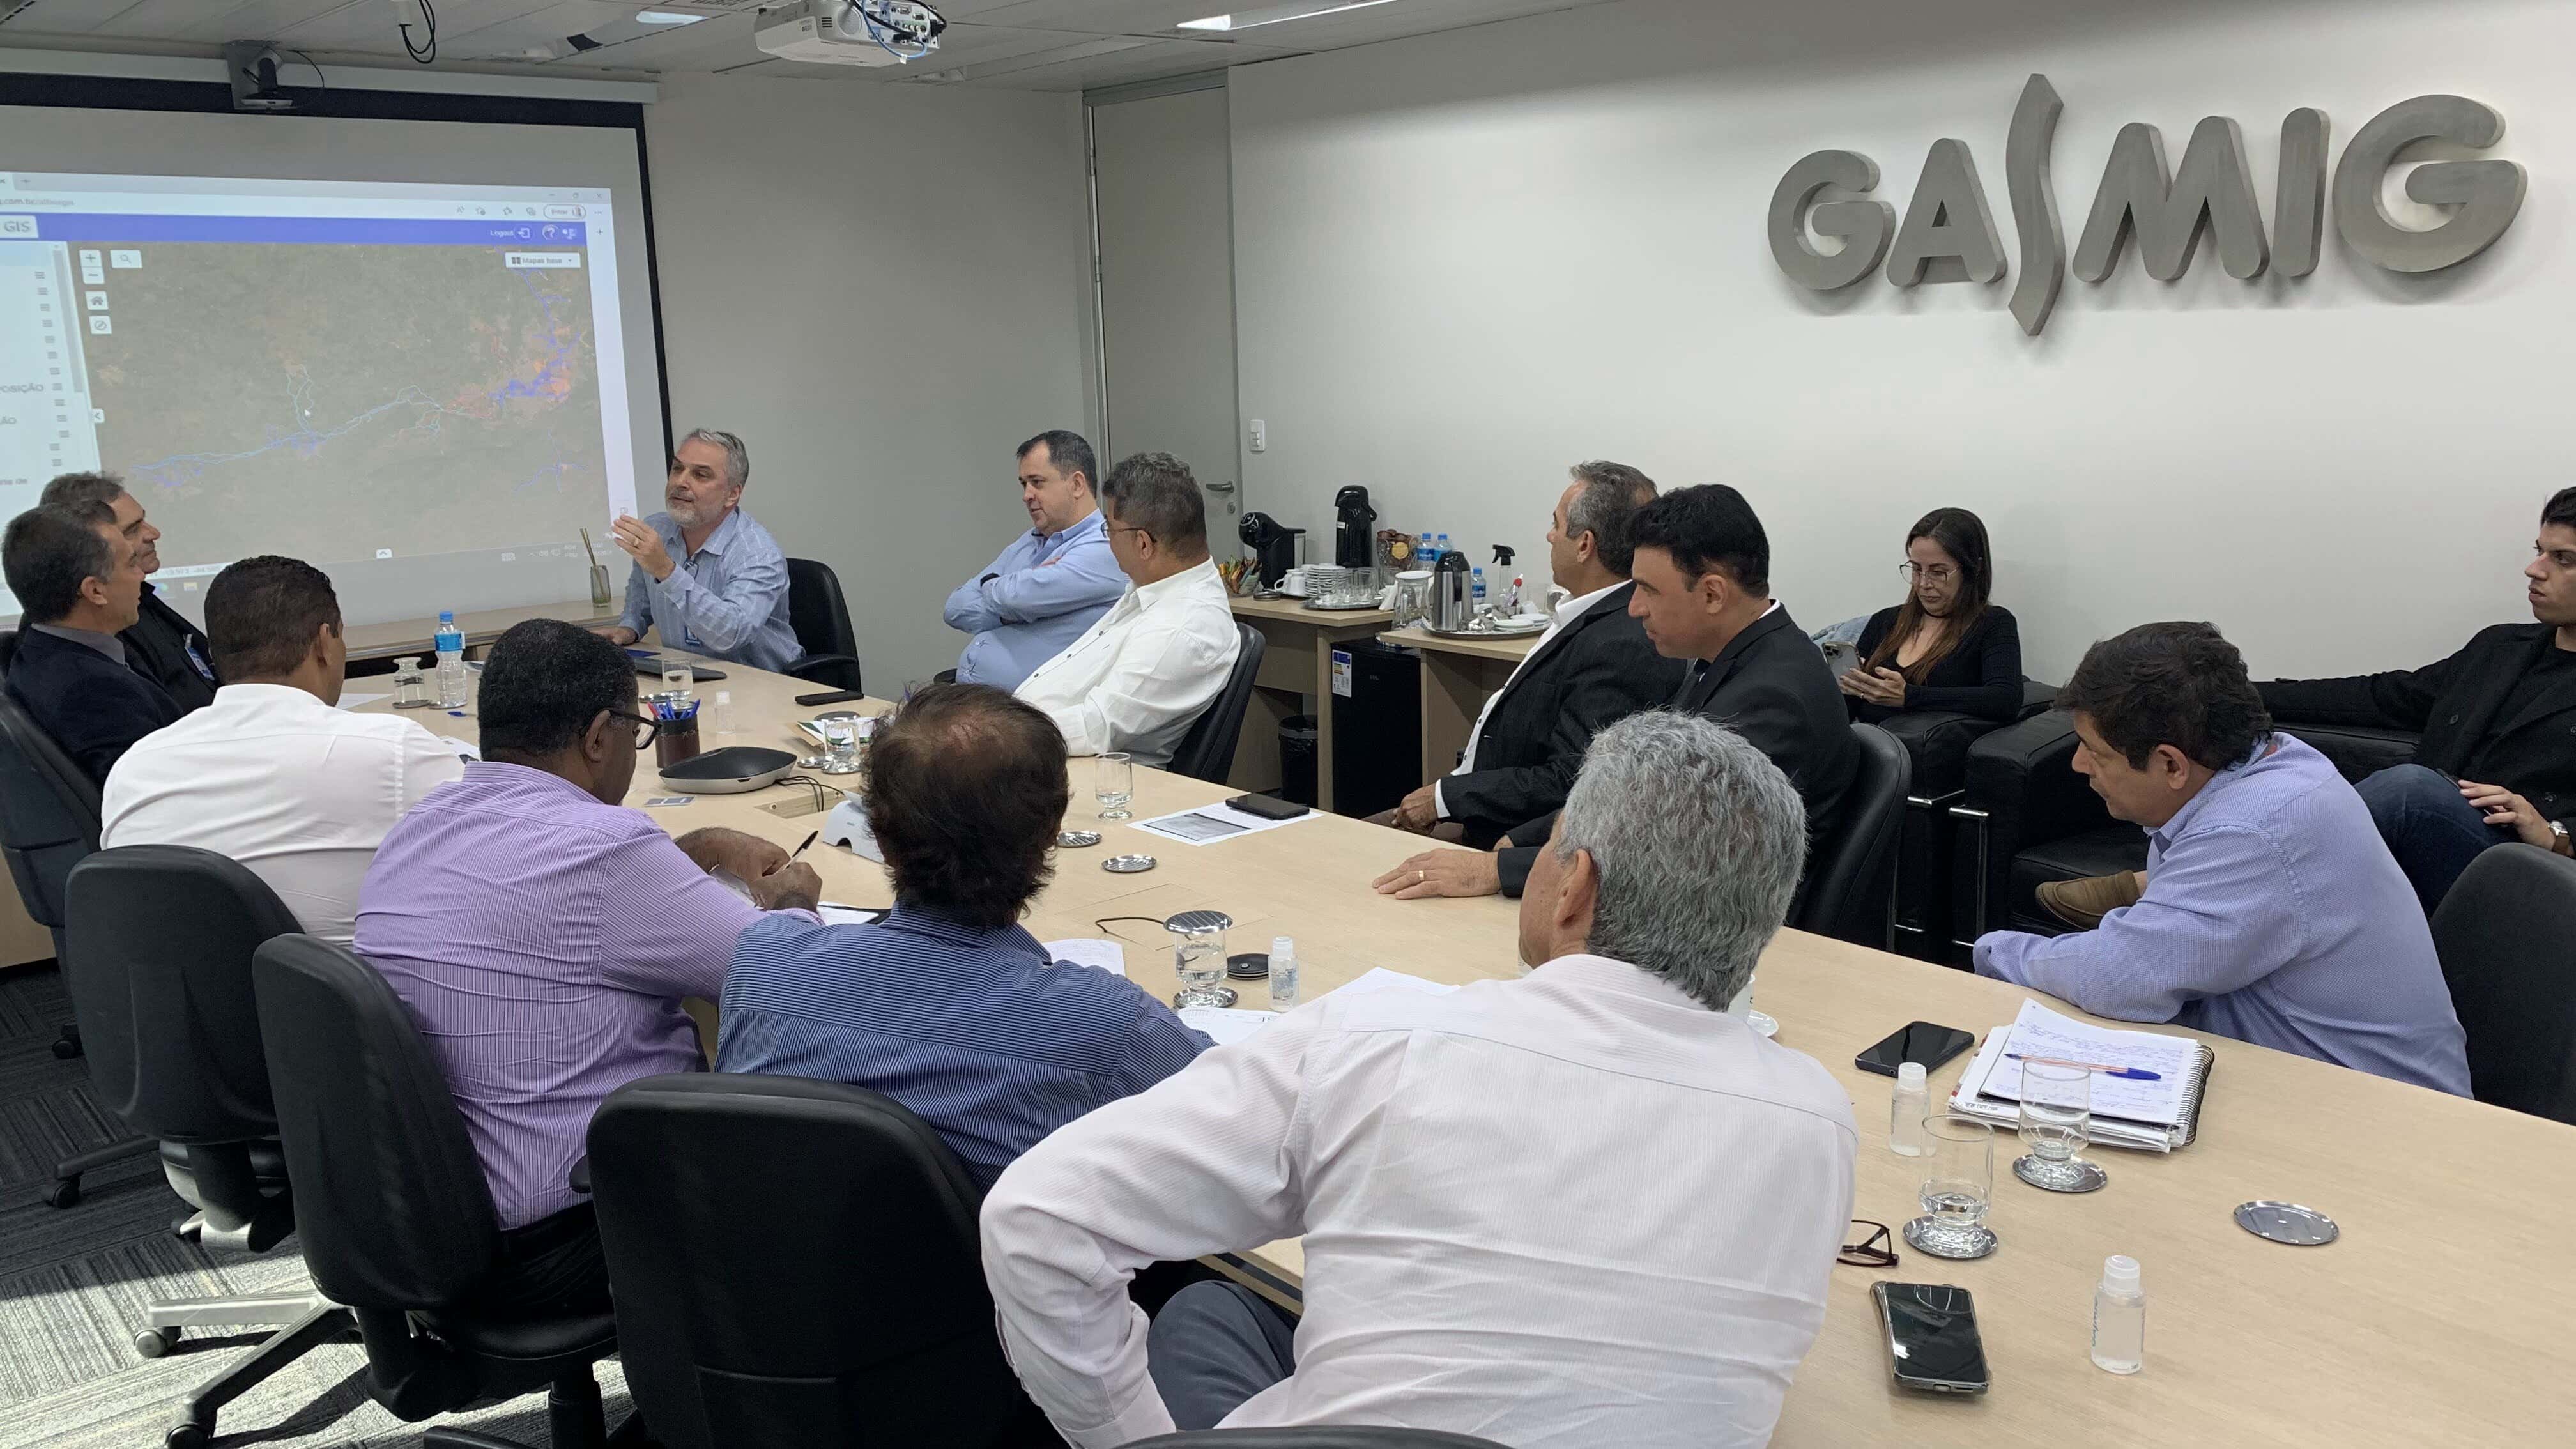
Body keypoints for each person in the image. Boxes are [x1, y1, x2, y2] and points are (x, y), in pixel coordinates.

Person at [981, 712, 1857, 1449]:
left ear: (1575, 889)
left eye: (1550, 846)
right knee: (1224, 1315)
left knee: (1211, 1312)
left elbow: (1039, 1218)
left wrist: (1130, 1440)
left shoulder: (1382, 1038)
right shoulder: (1820, 1123)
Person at [355, 618, 822, 1312]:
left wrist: (689, 852)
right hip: (567, 1228)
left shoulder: (420, 826)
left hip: (429, 1210)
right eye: (636, 731)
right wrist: (794, 904)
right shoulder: (604, 851)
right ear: (600, 736)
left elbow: (573, 910)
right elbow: (793, 981)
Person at [718, 683, 1206, 1185]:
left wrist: (793, 905)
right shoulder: (1107, 1022)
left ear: (879, 837)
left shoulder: (761, 960)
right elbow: (1240, 1109)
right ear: (1051, 830)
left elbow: (784, 941)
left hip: (764, 1236)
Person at [2039, 486, 2576, 928]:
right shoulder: (2499, 649)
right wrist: (2219, 691)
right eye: (2539, 550)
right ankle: (2193, 893)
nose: (2534, 569)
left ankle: (2163, 884)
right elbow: (2379, 696)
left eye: (2563, 560)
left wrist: (2556, 838)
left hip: (2528, 868)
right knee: (2271, 756)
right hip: (2423, 850)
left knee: (2412, 791)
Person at [1974, 622, 2469, 1094]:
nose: (2079, 764)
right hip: (2300, 1071)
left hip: (2377, 1111)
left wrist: (1990, 952)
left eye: (2094, 752)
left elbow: (2120, 977)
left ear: (2171, 764)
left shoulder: (2251, 829)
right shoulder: (2273, 761)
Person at [1374, 483, 1856, 900]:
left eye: (1649, 590)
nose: (1635, 608)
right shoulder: (1737, 659)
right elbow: (1628, 794)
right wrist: (1521, 839)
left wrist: (1498, 870)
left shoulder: (1773, 697)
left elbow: (1666, 844)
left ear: (1712, 594)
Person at [102, 556, 466, 945]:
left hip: (187, 982)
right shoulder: (394, 751)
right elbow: (497, 859)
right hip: (356, 981)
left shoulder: (134, 768)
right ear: (324, 643)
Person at [1377, 461, 1683, 845]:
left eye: (1557, 524)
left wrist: (1444, 798)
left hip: (1514, 841)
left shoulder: (1621, 643)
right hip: (1479, 810)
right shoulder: (1587, 615)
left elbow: (1570, 780)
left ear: (1585, 545)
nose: (1549, 536)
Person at [1015, 452, 1241, 769]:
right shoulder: (1153, 588)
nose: (1106, 539)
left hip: (1080, 772)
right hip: (1043, 750)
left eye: (1109, 529)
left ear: (1143, 544)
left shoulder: (1182, 627)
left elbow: (1095, 727)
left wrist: (1000, 735)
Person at [2, 502, 178, 783]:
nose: (141, 575)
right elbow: (157, 793)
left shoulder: (42, 654)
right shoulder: (93, 692)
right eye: (131, 564)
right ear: (95, 590)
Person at [601, 427, 804, 672]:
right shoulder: (657, 530)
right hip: (690, 676)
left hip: (766, 683)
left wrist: (666, 571)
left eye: (701, 475)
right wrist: (629, 628)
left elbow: (731, 635)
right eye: (677, 469)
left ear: (732, 494)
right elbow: (642, 601)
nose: (680, 482)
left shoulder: (758, 552)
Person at [944, 431, 1128, 691]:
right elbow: (955, 608)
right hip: (976, 697)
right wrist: (1011, 614)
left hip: (1038, 706)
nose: (1027, 495)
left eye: (1037, 482)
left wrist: (992, 585)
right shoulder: (1031, 540)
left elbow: (1018, 597)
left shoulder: (1106, 546)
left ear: (1077, 485)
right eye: (1024, 484)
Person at [41, 470, 218, 712]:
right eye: (132, 530)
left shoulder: (140, 599)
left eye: (144, 521)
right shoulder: (107, 626)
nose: (154, 533)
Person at [1841, 506, 2021, 724]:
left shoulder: (1993, 624)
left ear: (1974, 569)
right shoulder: (1886, 620)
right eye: (1916, 569)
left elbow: (2005, 700)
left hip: (1930, 744)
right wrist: (1844, 687)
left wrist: (1909, 696)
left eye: (1938, 572)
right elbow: (1845, 712)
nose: (1923, 584)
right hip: (1866, 740)